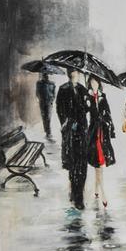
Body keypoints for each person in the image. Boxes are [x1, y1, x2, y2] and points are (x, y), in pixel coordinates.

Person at [53, 68, 91, 210]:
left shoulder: (82, 89)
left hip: (82, 131)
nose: (75, 75)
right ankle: (75, 194)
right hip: (70, 132)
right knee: (73, 164)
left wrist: (87, 102)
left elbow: (87, 110)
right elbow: (59, 109)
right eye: (73, 73)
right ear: (70, 74)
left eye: (77, 73)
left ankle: (78, 195)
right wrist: (65, 123)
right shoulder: (63, 89)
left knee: (82, 165)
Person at [86, 80, 117, 207]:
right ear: (89, 84)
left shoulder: (103, 96)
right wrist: (88, 104)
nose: (94, 85)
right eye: (92, 83)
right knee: (97, 164)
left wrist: (110, 127)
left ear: (99, 84)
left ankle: (97, 191)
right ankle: (103, 193)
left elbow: (108, 113)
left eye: (96, 83)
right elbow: (84, 113)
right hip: (93, 133)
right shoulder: (87, 96)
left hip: (102, 133)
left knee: (99, 165)